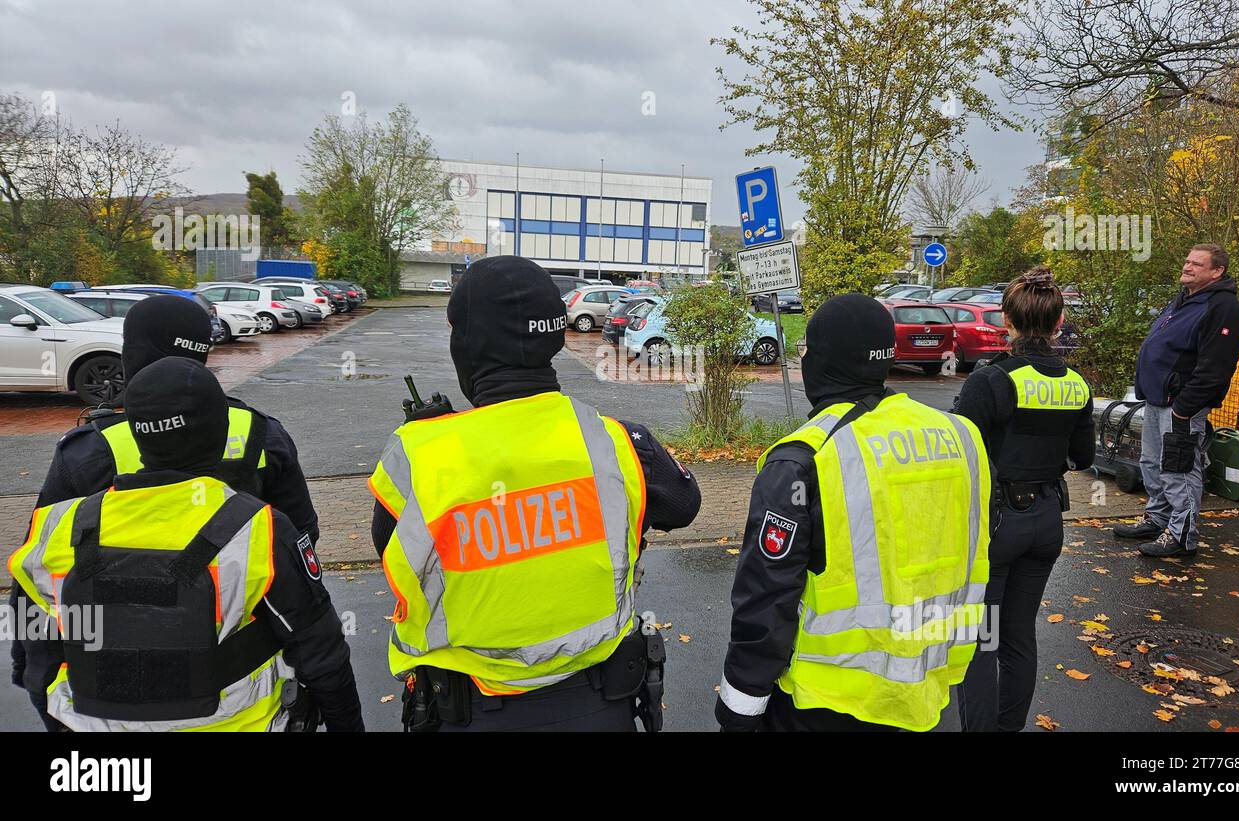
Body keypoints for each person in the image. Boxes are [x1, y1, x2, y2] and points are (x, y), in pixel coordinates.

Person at [368, 255, 700, 732]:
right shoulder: (618, 442)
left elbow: (391, 549)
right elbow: (684, 505)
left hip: (469, 710)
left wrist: (436, 436)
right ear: (554, 336)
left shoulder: (418, 455)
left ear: (467, 346)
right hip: (599, 705)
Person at [10, 294, 319, 729]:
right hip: (238, 687)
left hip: (107, 693)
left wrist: (31, 670)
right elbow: (302, 544)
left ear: (134, 355)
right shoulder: (262, 434)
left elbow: (36, 573)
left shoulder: (93, 448)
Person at [715, 293, 991, 732]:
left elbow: (767, 595)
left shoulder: (805, 457)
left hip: (828, 701)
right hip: (926, 685)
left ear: (824, 360)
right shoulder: (961, 436)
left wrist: (740, 704)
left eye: (807, 349)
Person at [951, 268, 1096, 732]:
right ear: (1059, 323)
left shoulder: (991, 379)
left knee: (982, 638)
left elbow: (961, 452)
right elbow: (1083, 457)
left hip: (996, 526)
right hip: (1047, 522)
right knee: (1017, 636)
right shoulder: (1077, 384)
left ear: (1006, 320)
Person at [1114, 244, 1239, 557]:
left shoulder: (1223, 307)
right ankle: (1158, 518)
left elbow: (1215, 368)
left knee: (1179, 470)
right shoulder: (1184, 299)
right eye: (1187, 261)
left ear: (1217, 271)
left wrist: (1185, 408)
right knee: (1151, 463)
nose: (1188, 267)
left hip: (1181, 407)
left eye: (1197, 264)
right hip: (1157, 400)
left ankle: (1181, 535)